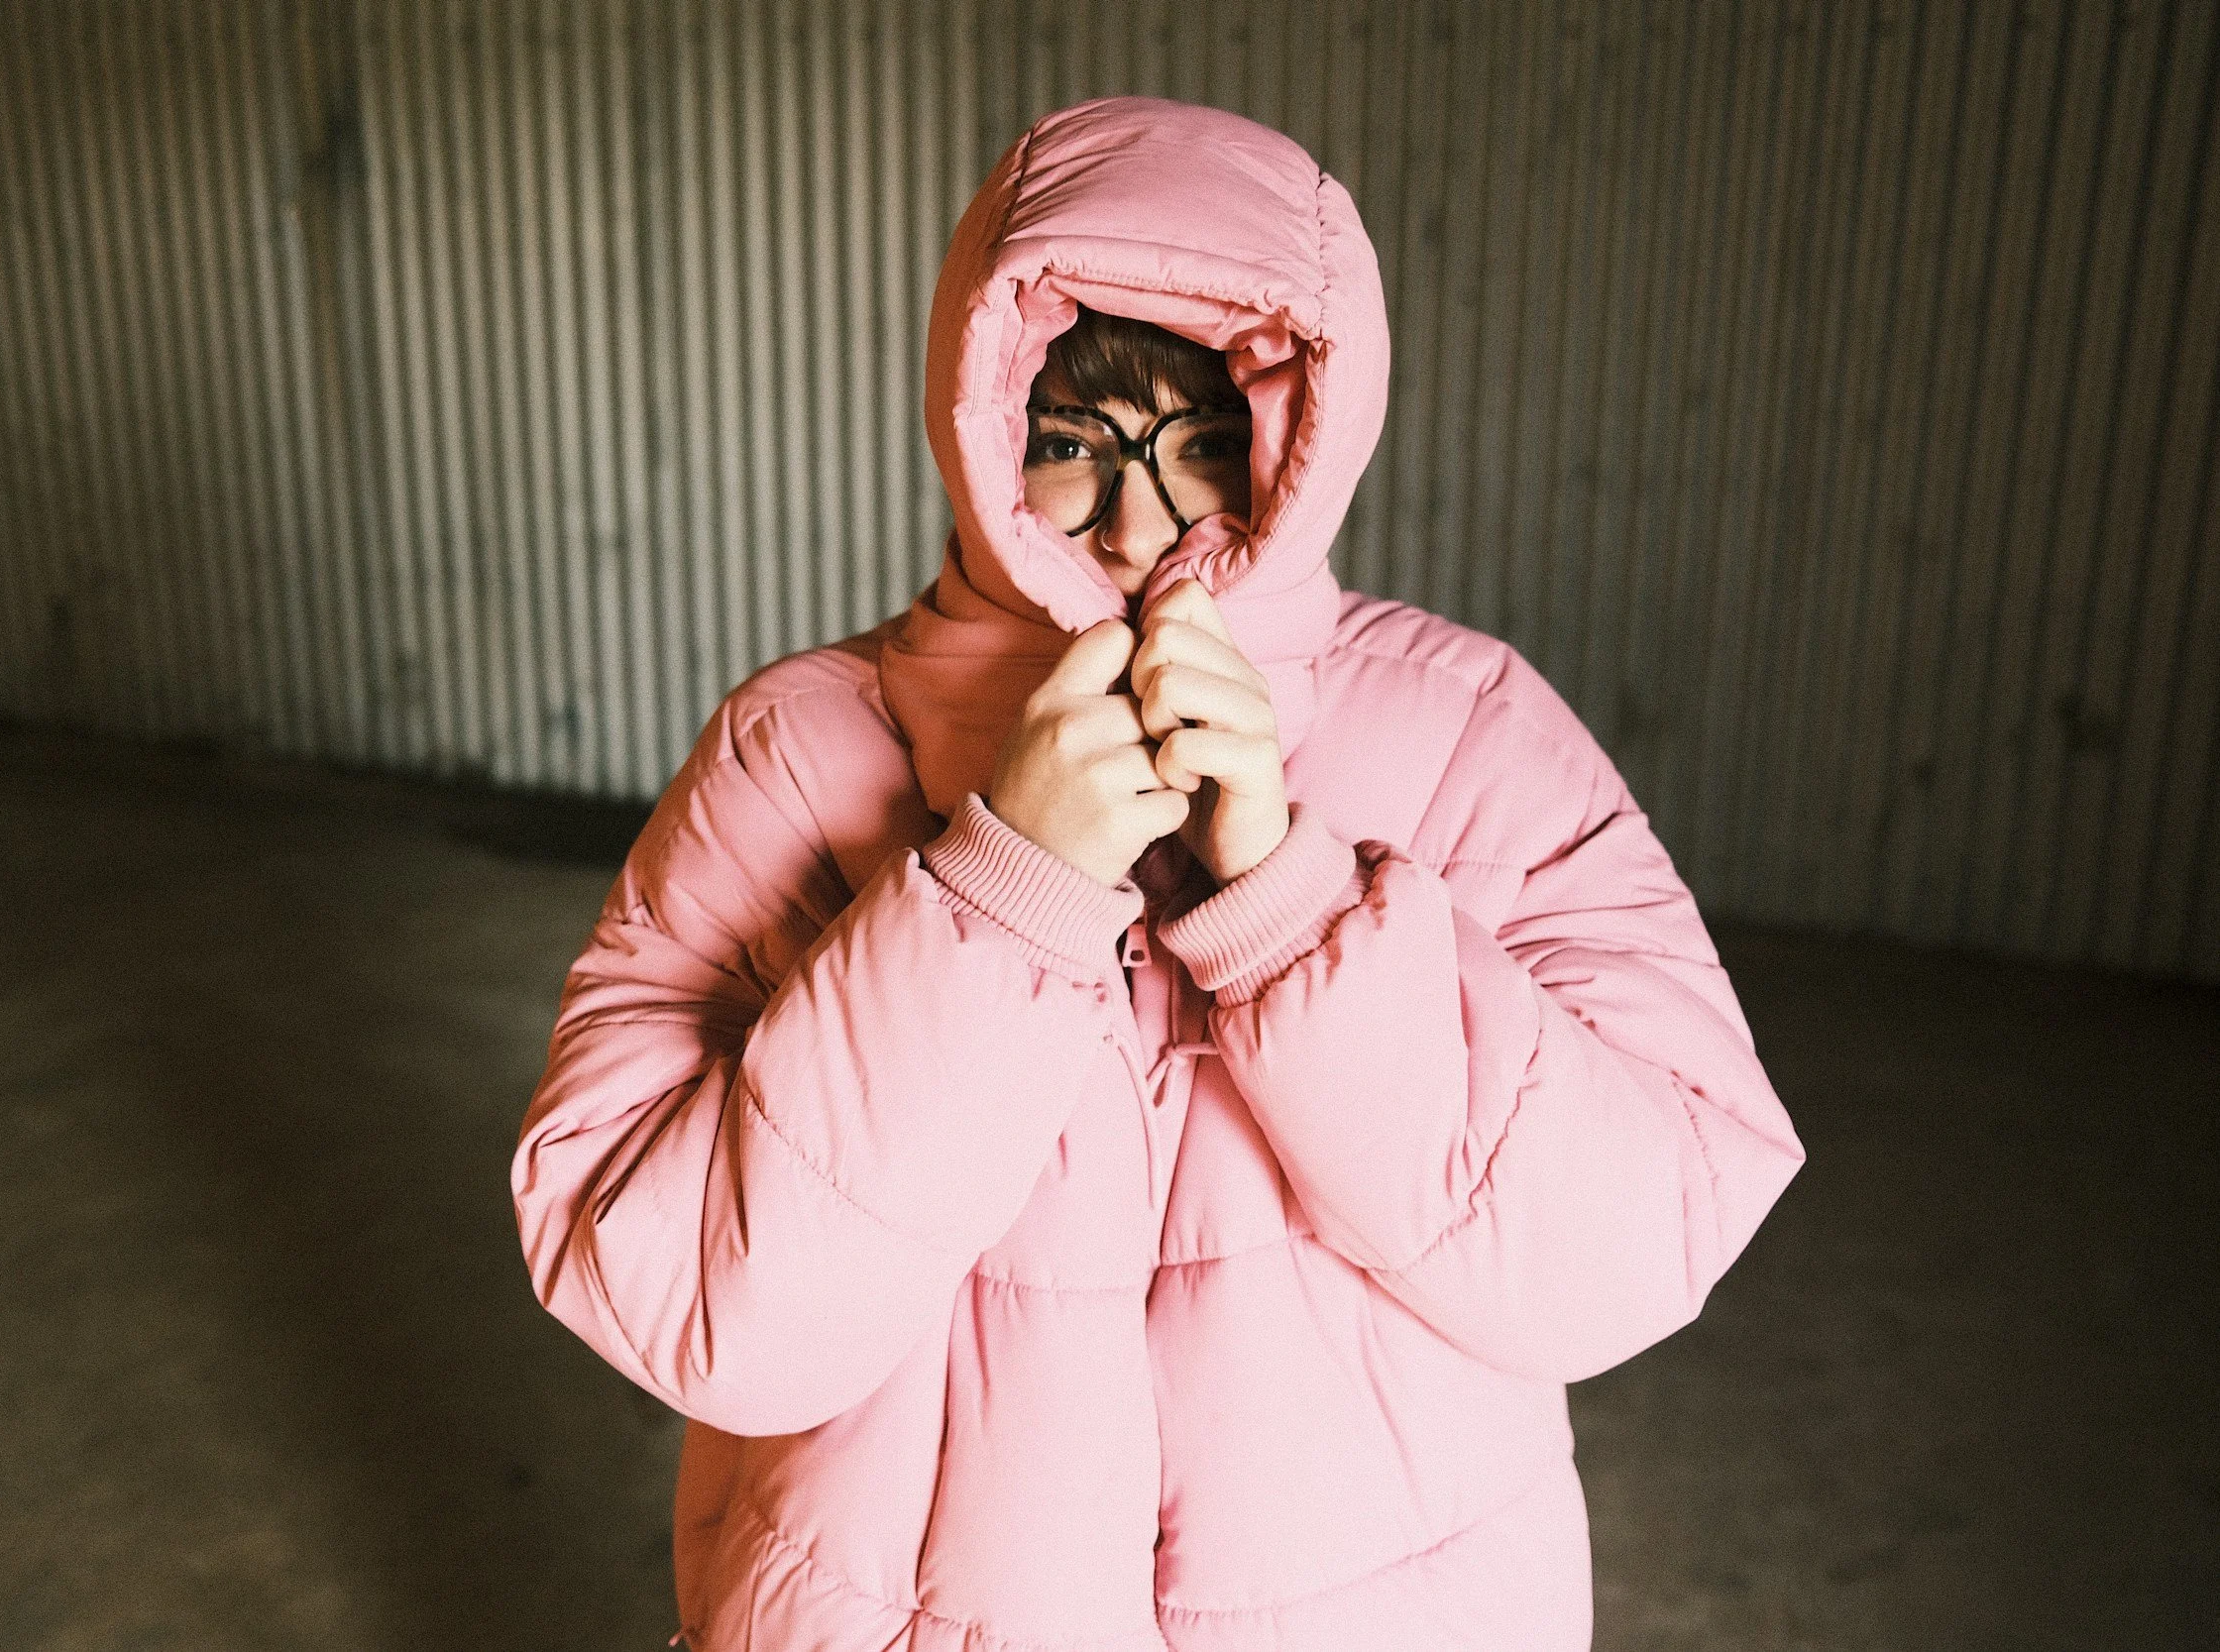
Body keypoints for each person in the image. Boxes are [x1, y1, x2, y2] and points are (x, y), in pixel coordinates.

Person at [511, 95, 1805, 1651]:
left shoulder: (1466, 731)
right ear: (978, 428)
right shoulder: (802, 751)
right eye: (1070, 445)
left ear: (1299, 442)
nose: (1135, 520)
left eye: (1199, 444)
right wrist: (1002, 889)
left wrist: (1295, 907)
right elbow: (684, 1297)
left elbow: (1639, 1236)